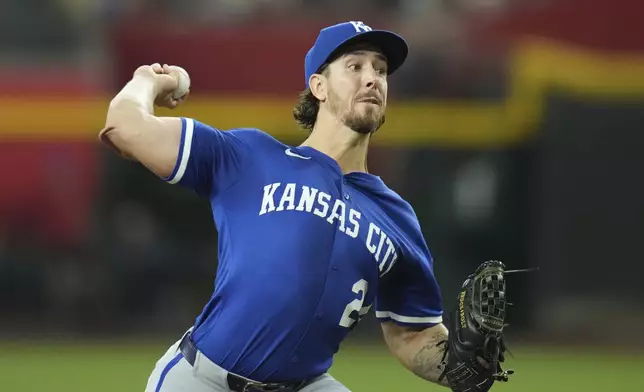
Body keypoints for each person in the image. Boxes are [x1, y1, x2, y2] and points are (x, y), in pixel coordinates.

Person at [100, 21, 451, 392]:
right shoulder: (252, 157)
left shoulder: (396, 216)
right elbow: (124, 127)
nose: (372, 79)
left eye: (380, 70)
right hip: (203, 380)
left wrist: (466, 363)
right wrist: (149, 80)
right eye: (355, 66)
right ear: (319, 86)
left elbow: (414, 336)